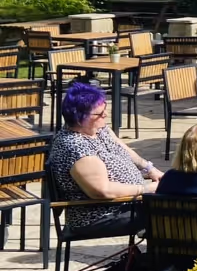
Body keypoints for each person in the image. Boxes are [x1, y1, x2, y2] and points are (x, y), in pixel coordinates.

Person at [48, 81, 162, 236]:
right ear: (79, 117)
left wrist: (149, 169)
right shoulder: (75, 146)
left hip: (125, 205)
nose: (105, 115)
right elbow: (102, 191)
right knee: (171, 213)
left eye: (105, 110)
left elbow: (122, 148)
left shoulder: (98, 129)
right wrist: (145, 190)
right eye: (99, 113)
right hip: (99, 216)